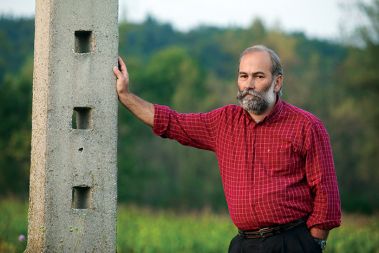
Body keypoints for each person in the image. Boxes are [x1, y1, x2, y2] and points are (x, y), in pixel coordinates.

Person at [113, 45, 341, 253]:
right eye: (244, 76)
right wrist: (125, 95)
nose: (249, 84)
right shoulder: (223, 122)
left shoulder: (307, 126)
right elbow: (171, 122)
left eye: (258, 76)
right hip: (243, 245)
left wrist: (313, 244)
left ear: (277, 82)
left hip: (291, 244)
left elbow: (326, 194)